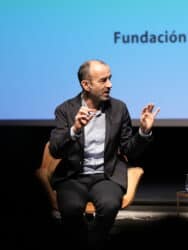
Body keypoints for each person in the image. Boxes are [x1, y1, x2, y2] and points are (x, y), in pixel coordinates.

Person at [48, 59, 160, 250]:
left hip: (106, 177)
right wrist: (74, 129)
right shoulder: (65, 110)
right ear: (86, 84)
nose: (110, 84)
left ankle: (95, 244)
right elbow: (55, 150)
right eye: (103, 80)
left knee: (109, 206)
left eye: (110, 78)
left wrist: (143, 132)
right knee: (71, 209)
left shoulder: (118, 108)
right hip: (73, 177)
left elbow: (128, 150)